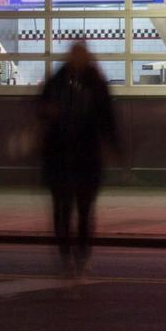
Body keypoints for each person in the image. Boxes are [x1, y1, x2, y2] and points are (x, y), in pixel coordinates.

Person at [37, 39, 118, 276]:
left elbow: (107, 119)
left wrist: (112, 146)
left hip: (81, 157)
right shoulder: (64, 82)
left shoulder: (84, 82)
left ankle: (79, 254)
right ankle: (69, 255)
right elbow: (107, 119)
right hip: (65, 156)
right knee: (66, 209)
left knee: (80, 209)